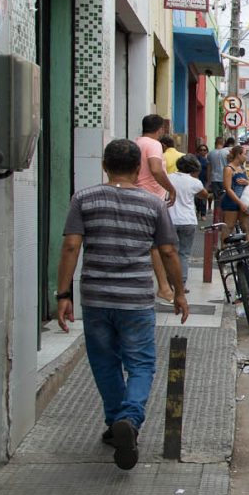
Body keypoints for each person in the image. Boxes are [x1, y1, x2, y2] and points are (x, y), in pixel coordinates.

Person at [55, 138, 188, 470]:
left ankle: (117, 424)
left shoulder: (83, 198)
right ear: (138, 168)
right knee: (141, 364)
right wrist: (179, 292)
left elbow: (71, 246)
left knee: (105, 363)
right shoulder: (152, 204)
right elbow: (169, 251)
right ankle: (128, 419)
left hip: (97, 298)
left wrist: (63, 295)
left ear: (105, 165)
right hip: (136, 301)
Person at [135, 114, 177, 303]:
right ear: (159, 129)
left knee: (150, 245)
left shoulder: (136, 143)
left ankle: (162, 286)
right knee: (159, 246)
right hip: (151, 199)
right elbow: (156, 168)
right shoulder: (154, 144)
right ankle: (164, 287)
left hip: (140, 196)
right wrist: (171, 188)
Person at [168, 155, 210, 286]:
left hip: (170, 219)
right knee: (184, 253)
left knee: (169, 252)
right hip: (188, 220)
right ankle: (182, 282)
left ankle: (169, 282)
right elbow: (204, 195)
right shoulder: (195, 182)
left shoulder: (168, 178)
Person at [220, 145, 249, 244]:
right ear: (238, 155)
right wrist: (239, 203)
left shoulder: (242, 168)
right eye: (244, 154)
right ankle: (223, 250)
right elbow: (228, 188)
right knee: (229, 227)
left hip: (243, 201)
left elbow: (248, 183)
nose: (246, 157)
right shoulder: (229, 168)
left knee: (248, 226)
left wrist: (247, 182)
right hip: (232, 202)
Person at [207, 137, 233, 205]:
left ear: (215, 143)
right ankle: (223, 213)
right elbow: (231, 165)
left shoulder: (210, 153)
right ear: (223, 143)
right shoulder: (227, 153)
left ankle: (216, 213)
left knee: (216, 198)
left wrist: (208, 180)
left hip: (214, 178)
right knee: (225, 197)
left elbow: (209, 168)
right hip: (225, 178)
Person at [195, 144, 211, 218]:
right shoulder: (195, 160)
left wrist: (208, 182)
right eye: (201, 150)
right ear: (198, 151)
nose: (202, 151)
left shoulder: (207, 161)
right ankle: (198, 210)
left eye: (204, 150)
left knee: (203, 197)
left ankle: (203, 214)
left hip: (204, 180)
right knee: (197, 198)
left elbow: (208, 171)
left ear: (207, 151)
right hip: (196, 180)